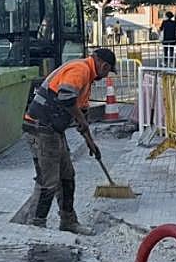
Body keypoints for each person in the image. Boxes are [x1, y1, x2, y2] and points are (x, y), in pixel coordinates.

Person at [23, 48, 116, 233]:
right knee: (48, 180)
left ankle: (68, 221)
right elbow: (66, 98)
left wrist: (90, 141)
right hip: (40, 128)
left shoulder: (86, 78)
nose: (106, 76)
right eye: (108, 72)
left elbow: (81, 113)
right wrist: (81, 120)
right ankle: (35, 225)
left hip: (52, 130)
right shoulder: (80, 70)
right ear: (104, 66)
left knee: (67, 176)